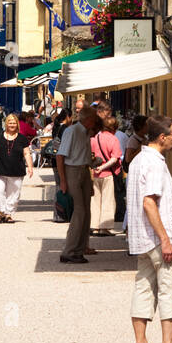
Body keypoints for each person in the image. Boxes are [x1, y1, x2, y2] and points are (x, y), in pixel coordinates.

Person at [126, 115, 172, 343]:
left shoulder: (137, 160)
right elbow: (150, 203)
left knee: (144, 287)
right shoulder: (155, 163)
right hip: (158, 237)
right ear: (162, 137)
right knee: (169, 289)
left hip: (141, 237)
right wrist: (165, 239)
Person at [56, 106, 101, 263]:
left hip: (83, 170)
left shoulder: (85, 133)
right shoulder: (72, 131)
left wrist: (93, 161)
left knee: (86, 211)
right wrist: (63, 180)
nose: (95, 122)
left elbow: (81, 155)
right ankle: (69, 250)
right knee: (79, 211)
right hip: (73, 171)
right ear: (88, 119)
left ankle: (80, 248)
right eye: (94, 119)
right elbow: (60, 156)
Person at [0, 112, 34, 223]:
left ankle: (8, 213)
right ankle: (0, 213)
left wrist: (30, 166)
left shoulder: (22, 138)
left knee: (14, 193)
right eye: (10, 122)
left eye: (14, 123)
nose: (12, 125)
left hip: (16, 170)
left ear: (17, 124)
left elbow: (27, 153)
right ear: (6, 123)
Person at [89, 112, 123, 236]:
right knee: (108, 200)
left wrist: (96, 167)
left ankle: (95, 225)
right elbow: (114, 158)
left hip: (94, 173)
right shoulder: (113, 139)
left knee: (95, 200)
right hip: (108, 173)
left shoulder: (95, 138)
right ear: (114, 128)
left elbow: (90, 155)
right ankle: (104, 227)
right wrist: (103, 167)